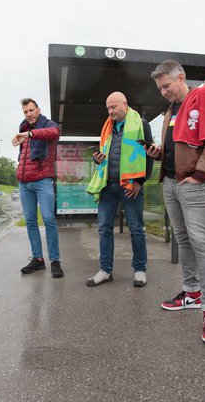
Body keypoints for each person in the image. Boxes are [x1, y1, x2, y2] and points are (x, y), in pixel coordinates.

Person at [146, 60, 205, 344]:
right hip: (170, 182)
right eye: (160, 89)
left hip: (195, 184)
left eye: (166, 86)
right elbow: (177, 147)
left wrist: (201, 173)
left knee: (202, 244)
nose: (164, 92)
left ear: (181, 77)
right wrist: (159, 152)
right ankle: (192, 293)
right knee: (182, 240)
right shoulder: (171, 110)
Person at [86, 91, 153, 287]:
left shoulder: (141, 124)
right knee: (104, 228)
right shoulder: (107, 127)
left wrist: (141, 181)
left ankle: (140, 270)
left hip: (131, 185)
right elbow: (104, 155)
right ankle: (105, 270)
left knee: (136, 228)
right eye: (108, 108)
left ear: (125, 104)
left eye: (114, 107)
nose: (110, 111)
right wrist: (96, 159)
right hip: (107, 185)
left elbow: (149, 154)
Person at [12, 98, 63, 278]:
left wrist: (30, 135)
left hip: (42, 179)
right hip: (24, 182)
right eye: (26, 112)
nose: (29, 114)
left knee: (49, 219)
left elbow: (54, 133)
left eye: (31, 110)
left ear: (38, 110)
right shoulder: (23, 127)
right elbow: (24, 154)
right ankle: (38, 260)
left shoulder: (48, 125)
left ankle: (55, 261)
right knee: (31, 221)